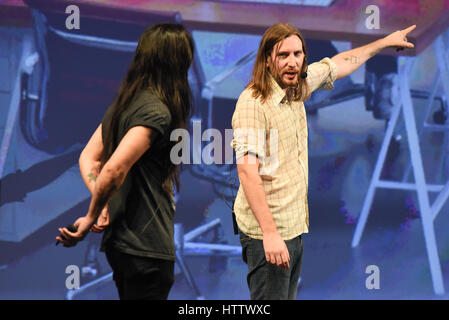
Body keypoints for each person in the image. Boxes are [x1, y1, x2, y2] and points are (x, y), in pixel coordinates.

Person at [231, 23, 416, 300]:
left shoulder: (295, 87)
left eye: (298, 54)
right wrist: (269, 235)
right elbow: (247, 172)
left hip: (292, 225)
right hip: (267, 231)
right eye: (284, 55)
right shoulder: (254, 104)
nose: (293, 62)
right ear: (268, 60)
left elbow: (338, 65)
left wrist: (383, 43)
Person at [56, 23, 194, 300]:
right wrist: (93, 215)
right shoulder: (157, 111)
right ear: (179, 62)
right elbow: (113, 169)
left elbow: (89, 159)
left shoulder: (127, 104)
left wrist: (102, 201)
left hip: (123, 246)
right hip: (145, 246)